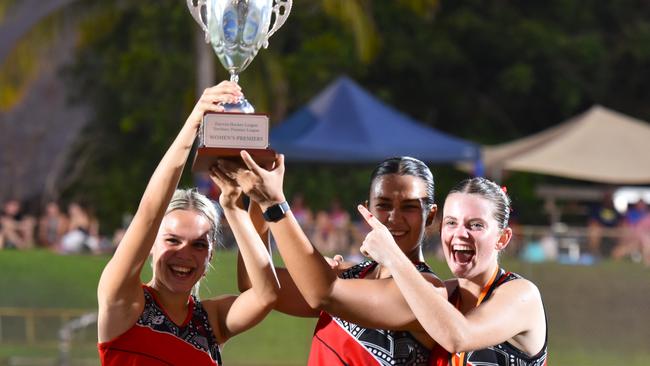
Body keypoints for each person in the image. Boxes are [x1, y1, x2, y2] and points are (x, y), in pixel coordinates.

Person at [97, 81, 279, 365]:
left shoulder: (209, 321)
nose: (184, 253)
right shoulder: (124, 302)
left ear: (209, 257)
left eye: (198, 245)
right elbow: (149, 214)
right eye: (172, 240)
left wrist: (236, 207)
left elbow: (267, 294)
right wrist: (194, 122)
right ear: (151, 246)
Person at [227, 153, 446, 365]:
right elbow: (254, 282)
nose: (394, 217)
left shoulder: (427, 289)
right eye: (383, 205)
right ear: (367, 209)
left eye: (409, 207)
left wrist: (274, 204)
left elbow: (323, 294)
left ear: (431, 215)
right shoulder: (349, 276)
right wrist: (257, 195)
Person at [358, 177, 548, 365]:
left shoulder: (523, 295)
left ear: (503, 238)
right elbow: (367, 312)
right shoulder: (442, 295)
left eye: (476, 225)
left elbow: (459, 337)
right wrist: (340, 272)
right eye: (451, 223)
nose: (460, 233)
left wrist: (393, 257)